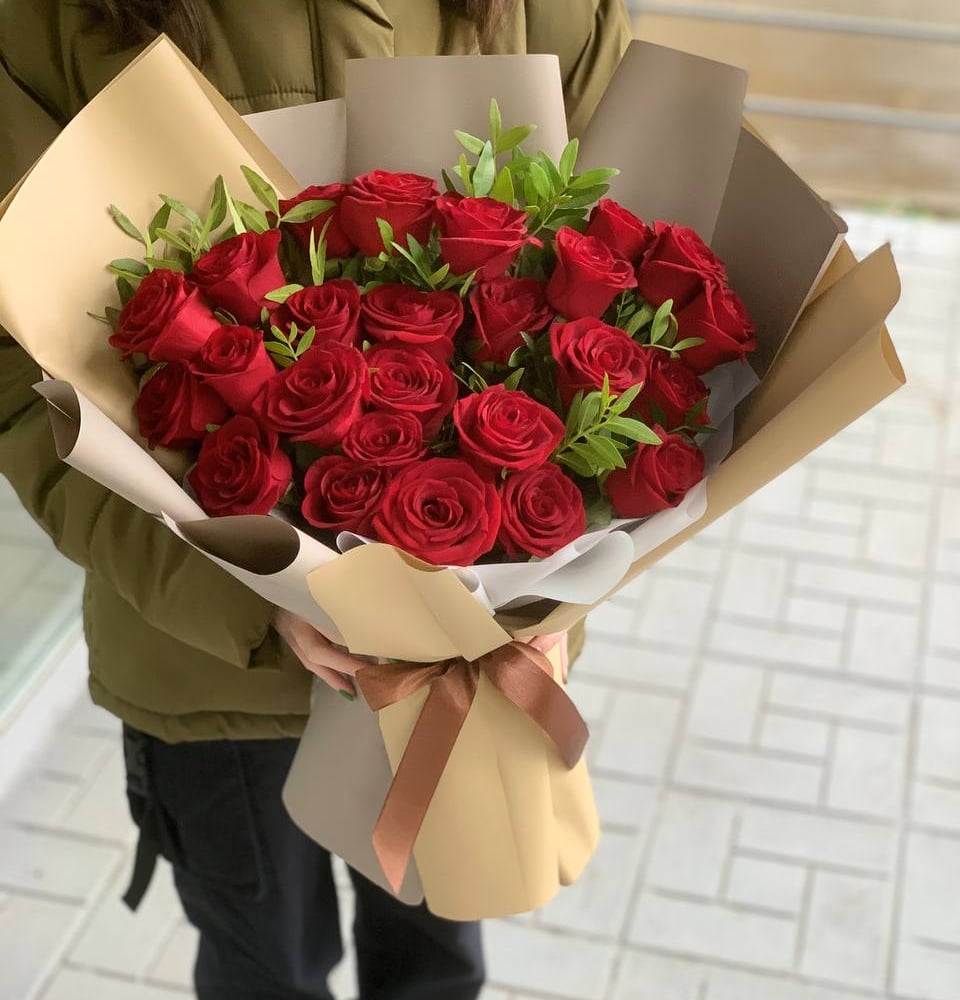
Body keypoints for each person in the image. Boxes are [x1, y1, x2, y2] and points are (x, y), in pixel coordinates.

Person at [0, 2, 632, 998]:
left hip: (470, 659)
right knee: (265, 973)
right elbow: (21, 381)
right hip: (213, 679)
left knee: (438, 964)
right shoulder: (47, 20)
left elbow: (630, 275)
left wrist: (547, 589)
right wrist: (254, 592)